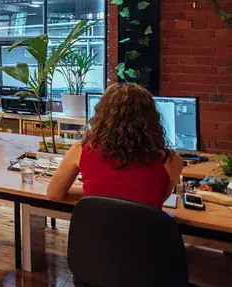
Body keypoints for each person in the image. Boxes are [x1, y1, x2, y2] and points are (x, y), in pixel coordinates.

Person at [47, 82, 183, 209]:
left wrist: (94, 194)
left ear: (101, 116)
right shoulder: (171, 161)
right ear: (151, 119)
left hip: (95, 234)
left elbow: (54, 194)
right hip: (144, 234)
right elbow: (153, 204)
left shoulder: (81, 150)